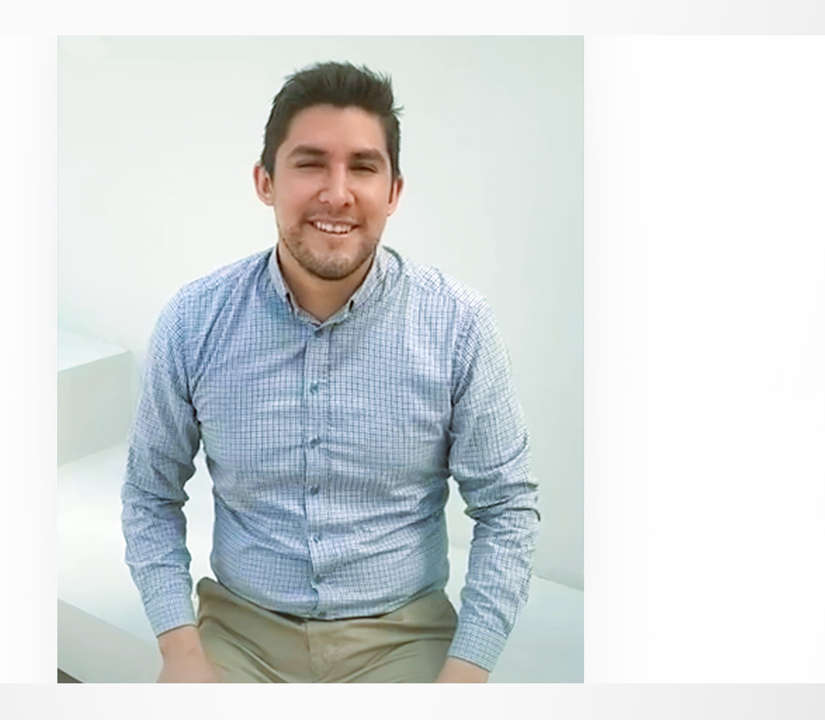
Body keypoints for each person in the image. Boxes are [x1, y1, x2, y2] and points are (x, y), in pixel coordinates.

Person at [121, 61, 538, 683]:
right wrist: (181, 652)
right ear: (265, 181)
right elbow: (149, 495)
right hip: (240, 631)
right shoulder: (193, 320)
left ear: (394, 191)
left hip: (404, 635)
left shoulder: (459, 327)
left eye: (363, 167)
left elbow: (507, 507)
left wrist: (466, 673)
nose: (338, 193)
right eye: (311, 163)